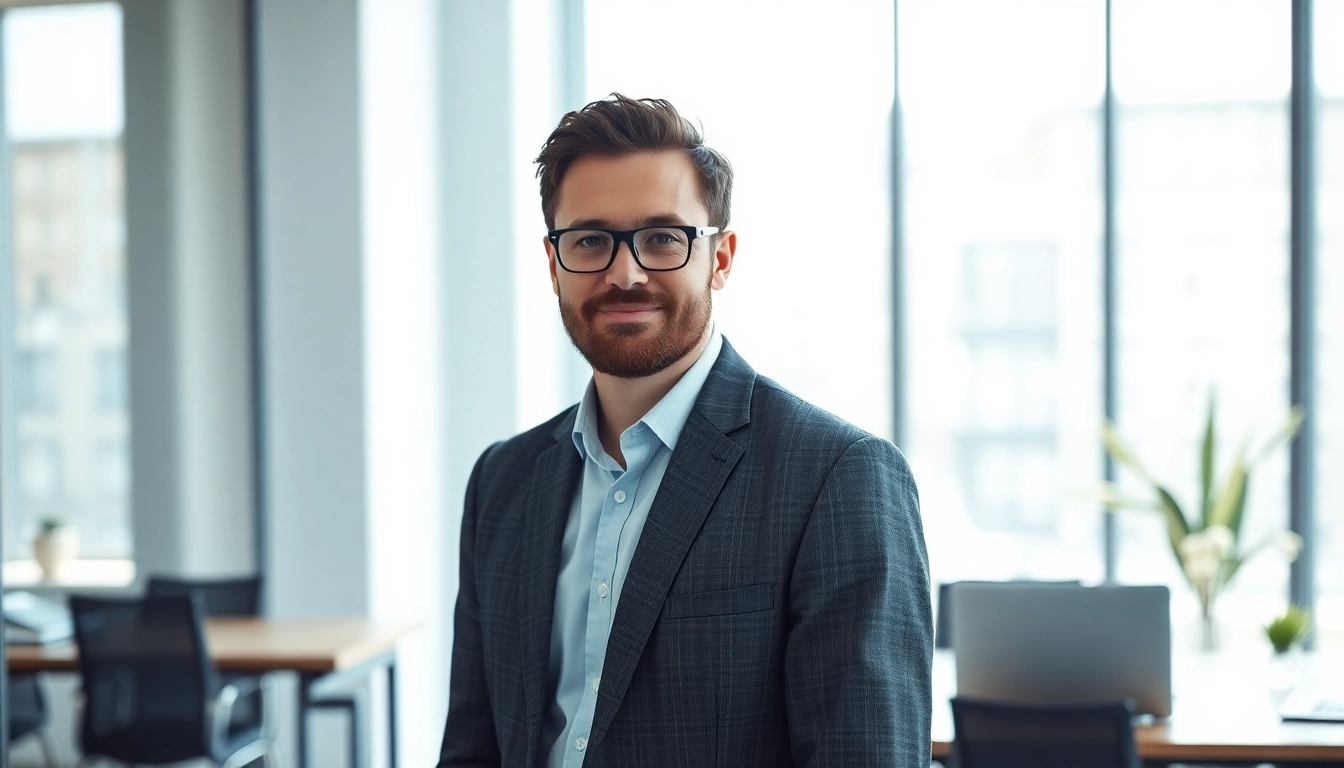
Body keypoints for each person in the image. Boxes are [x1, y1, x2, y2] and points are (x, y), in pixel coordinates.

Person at [438, 93, 931, 767]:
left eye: (663, 238)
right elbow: (472, 748)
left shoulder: (835, 476)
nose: (625, 273)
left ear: (720, 258)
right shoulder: (503, 482)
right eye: (589, 241)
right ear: (554, 265)